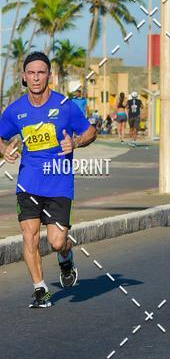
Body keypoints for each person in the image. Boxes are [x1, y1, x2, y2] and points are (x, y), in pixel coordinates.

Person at [0, 52, 96, 307]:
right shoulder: (16, 110)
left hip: (59, 183)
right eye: (31, 73)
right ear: (24, 77)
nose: (36, 77)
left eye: (41, 72)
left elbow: (90, 131)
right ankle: (40, 290)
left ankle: (66, 259)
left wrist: (75, 141)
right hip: (27, 183)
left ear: (49, 76)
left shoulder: (65, 106)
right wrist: (3, 148)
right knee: (29, 236)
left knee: (56, 242)